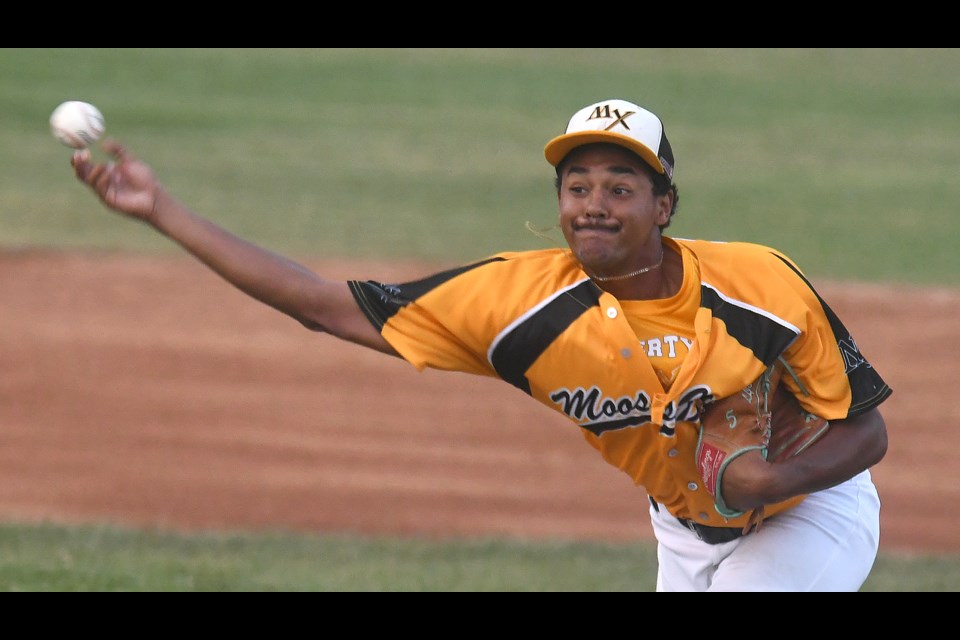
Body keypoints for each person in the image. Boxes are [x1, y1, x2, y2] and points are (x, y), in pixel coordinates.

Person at [70, 98, 891, 592]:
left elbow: (866, 429)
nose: (594, 205)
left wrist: (772, 480)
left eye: (620, 187)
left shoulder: (759, 288)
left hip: (812, 511)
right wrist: (161, 212)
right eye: (577, 187)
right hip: (682, 531)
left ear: (665, 204)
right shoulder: (516, 305)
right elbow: (322, 307)